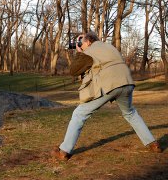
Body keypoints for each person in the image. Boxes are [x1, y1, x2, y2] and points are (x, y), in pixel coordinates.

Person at [51, 31, 162, 161]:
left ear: (87, 42)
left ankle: (64, 152)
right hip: (126, 82)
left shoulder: (90, 51)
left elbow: (74, 71)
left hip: (110, 85)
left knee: (79, 114)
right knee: (130, 113)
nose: (81, 45)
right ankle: (153, 144)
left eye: (82, 42)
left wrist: (80, 52)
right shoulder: (109, 47)